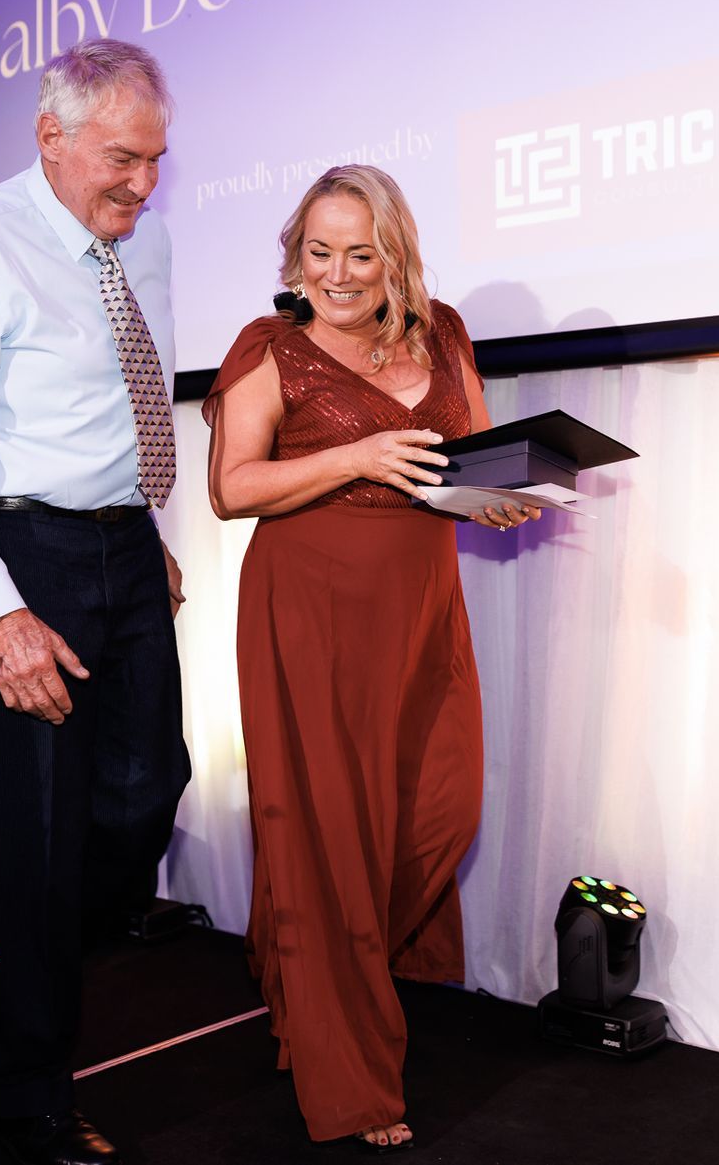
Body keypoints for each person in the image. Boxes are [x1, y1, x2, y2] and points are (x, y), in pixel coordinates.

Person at [0, 39, 190, 1165]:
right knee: (45, 840)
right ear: (50, 136)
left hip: (125, 549)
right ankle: (27, 1098)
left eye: (157, 160)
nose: (143, 184)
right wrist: (3, 614)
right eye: (123, 158)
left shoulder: (144, 239)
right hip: (25, 558)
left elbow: (130, 396)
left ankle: (12, 915)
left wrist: (145, 528)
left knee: (147, 793)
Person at [203, 165, 539, 1152]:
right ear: (293, 256)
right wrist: (353, 457)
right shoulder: (272, 348)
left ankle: (315, 972)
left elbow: (465, 460)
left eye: (360, 253)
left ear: (394, 252)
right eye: (320, 252)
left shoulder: (442, 331)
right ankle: (350, 1078)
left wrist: (501, 497)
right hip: (309, 610)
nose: (340, 274)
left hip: (421, 604)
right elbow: (231, 489)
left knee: (442, 806)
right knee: (329, 837)